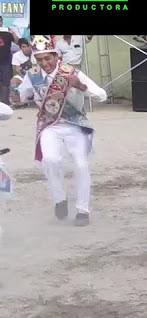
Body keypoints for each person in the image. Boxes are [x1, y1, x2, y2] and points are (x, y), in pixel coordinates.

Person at [14, 36, 107, 226]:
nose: (44, 63)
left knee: (80, 164)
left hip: (75, 124)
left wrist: (79, 86)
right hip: (50, 125)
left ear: (56, 56)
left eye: (48, 58)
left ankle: (82, 210)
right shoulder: (33, 75)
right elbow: (21, 95)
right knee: (50, 159)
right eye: (39, 59)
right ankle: (59, 199)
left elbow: (102, 95)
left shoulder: (71, 72)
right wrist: (16, 94)